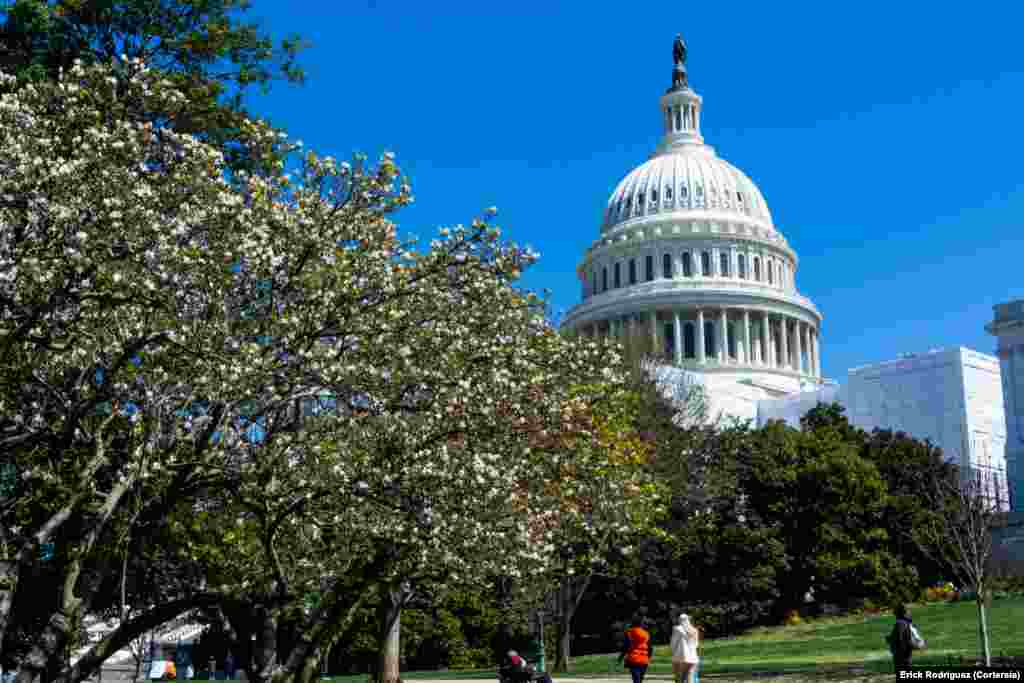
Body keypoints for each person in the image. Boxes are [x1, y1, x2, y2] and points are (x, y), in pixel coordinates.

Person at [618, 615, 655, 683]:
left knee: (636, 680)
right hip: (644, 660)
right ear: (641, 624)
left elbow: (626, 646)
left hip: (633, 659)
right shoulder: (646, 634)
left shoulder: (629, 632)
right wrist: (648, 658)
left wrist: (620, 657)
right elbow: (650, 648)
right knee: (640, 680)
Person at [670, 613, 699, 683]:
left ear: (680, 620)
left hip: (680, 657)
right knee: (690, 677)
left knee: (679, 679)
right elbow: (696, 644)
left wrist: (673, 652)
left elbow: (673, 643)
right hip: (692, 657)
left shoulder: (677, 629)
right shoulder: (694, 630)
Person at [885, 604, 915, 672]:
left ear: (897, 614)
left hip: (901, 654)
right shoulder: (906, 623)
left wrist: (890, 639)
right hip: (906, 652)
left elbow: (900, 638)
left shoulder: (900, 624)